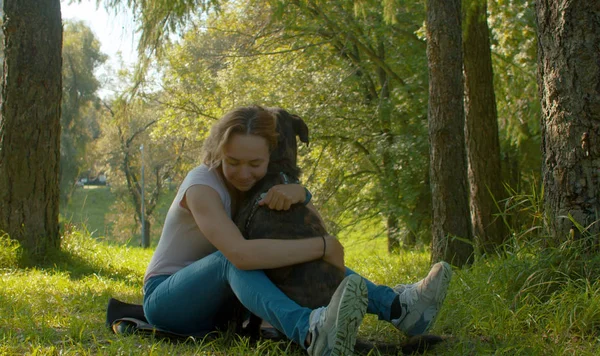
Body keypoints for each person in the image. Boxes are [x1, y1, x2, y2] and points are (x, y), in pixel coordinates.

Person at [142, 105, 452, 355]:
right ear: (219, 151)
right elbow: (240, 254)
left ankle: (398, 307)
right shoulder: (201, 186)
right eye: (232, 161)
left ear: (271, 157)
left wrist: (299, 192)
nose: (243, 173)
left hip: (221, 306)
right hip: (168, 301)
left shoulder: (253, 187)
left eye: (255, 163)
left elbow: (301, 229)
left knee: (282, 249)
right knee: (233, 259)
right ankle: (309, 331)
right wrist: (324, 246)